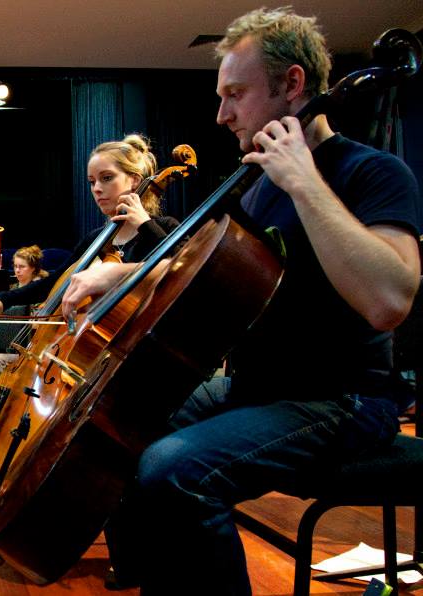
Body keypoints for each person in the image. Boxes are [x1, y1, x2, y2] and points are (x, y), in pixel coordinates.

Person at [60, 8, 421, 594]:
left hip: (341, 397)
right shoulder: (257, 186)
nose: (222, 114)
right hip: (257, 386)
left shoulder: (371, 172)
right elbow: (204, 271)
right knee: (123, 425)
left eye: (236, 94)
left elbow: (389, 299)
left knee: (174, 470)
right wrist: (121, 273)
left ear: (293, 85)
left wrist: (304, 181)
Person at [0, 134, 178, 324]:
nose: (96, 188)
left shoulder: (163, 227)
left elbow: (182, 269)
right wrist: (3, 300)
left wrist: (144, 223)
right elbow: (56, 283)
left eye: (106, 178)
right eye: (92, 181)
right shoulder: (95, 239)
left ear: (134, 180)